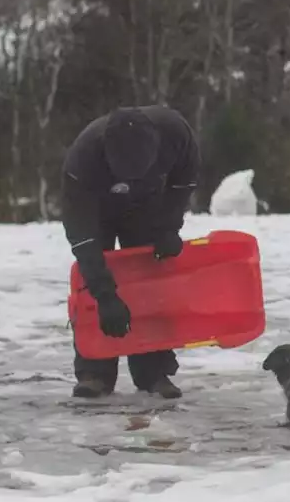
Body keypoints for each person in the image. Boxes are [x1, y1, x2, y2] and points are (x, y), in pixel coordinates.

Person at [62, 106, 200, 399]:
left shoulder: (175, 133)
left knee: (150, 278)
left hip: (146, 205)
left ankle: (154, 371)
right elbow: (82, 237)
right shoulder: (83, 158)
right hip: (95, 210)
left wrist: (169, 227)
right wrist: (105, 295)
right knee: (94, 279)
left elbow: (183, 181)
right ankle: (94, 371)